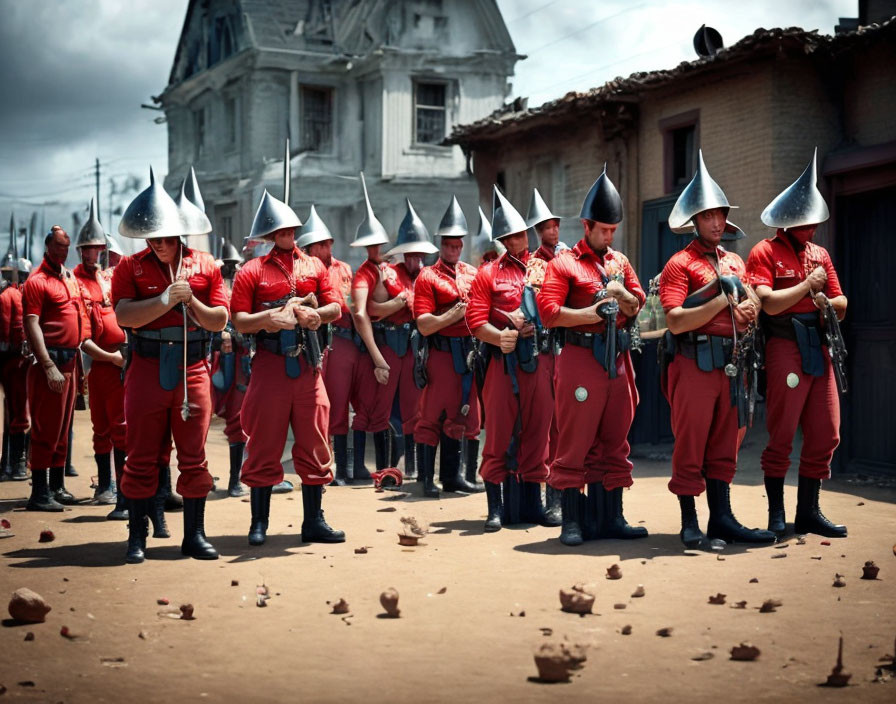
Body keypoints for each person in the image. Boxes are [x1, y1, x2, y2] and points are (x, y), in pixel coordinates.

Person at [659, 151, 776, 548]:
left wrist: (750, 308)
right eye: (708, 215)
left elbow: (753, 304)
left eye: (720, 214)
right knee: (691, 442)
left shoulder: (737, 261)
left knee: (728, 442)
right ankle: (689, 522)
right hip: (694, 361)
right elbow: (675, 319)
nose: (716, 222)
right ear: (695, 220)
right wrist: (721, 303)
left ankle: (722, 518)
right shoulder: (680, 264)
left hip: (734, 361)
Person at [112, 169, 229, 563]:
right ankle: (137, 537)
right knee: (141, 455)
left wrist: (190, 302)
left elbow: (219, 321)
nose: (158, 245)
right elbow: (124, 316)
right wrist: (164, 300)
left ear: (179, 234)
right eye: (152, 238)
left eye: (165, 238)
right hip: (146, 366)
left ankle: (194, 535)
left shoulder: (207, 266)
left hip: (192, 366)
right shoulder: (130, 267)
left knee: (194, 455)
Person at [537, 168, 648, 545]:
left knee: (615, 439)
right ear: (587, 226)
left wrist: (620, 292)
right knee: (575, 440)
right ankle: (571, 520)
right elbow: (549, 311)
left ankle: (611, 517)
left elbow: (638, 305)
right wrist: (593, 313)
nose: (609, 236)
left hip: (615, 359)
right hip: (580, 358)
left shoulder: (619, 262)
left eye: (613, 230)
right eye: (603, 229)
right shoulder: (564, 263)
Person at [231, 190, 344, 547]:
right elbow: (239, 320)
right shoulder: (252, 270)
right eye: (280, 230)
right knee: (264, 442)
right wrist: (270, 318)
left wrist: (316, 315)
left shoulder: (314, 265)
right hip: (269, 365)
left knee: (315, 440)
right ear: (269, 234)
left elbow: (336, 308)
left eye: (292, 229)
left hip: (308, 365)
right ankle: (259, 522)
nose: (288, 234)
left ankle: (313, 521)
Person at [747, 150, 847, 538]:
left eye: (814, 222)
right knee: (783, 432)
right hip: (785, 345)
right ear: (788, 222)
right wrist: (808, 287)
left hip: (818, 345)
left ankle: (809, 510)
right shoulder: (765, 251)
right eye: (805, 223)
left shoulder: (820, 254)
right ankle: (776, 513)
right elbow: (769, 304)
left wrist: (823, 300)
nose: (811, 229)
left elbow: (841, 303)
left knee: (827, 431)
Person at [466, 188, 557, 531]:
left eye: (521, 233)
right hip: (502, 364)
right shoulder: (488, 272)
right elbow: (475, 321)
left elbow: (556, 308)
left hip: (540, 361)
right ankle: (495, 508)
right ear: (502, 239)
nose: (517, 239)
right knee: (499, 435)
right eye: (511, 235)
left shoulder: (546, 268)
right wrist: (499, 334)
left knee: (538, 434)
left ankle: (534, 506)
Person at [412, 196, 483, 497]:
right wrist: (452, 315)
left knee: (463, 415)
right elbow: (424, 324)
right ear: (441, 244)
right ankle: (427, 480)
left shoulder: (472, 273)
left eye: (458, 245)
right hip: (440, 354)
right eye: (449, 245)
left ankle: (453, 478)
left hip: (468, 352)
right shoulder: (427, 277)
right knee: (431, 415)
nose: (454, 250)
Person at [22, 226, 91, 510]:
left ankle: (56, 486)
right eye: (59, 246)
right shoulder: (37, 281)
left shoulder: (68, 278)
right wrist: (47, 364)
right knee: (46, 429)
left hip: (71, 360)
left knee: (63, 429)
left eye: (67, 247)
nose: (63, 251)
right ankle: (39, 494)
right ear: (48, 245)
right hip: (51, 362)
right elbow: (31, 323)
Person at [298, 206, 360, 487]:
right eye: (317, 245)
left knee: (340, 404)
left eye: (325, 244)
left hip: (341, 339)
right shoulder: (303, 269)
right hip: (313, 339)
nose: (322, 249)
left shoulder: (343, 269)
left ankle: (344, 468)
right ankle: (325, 464)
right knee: (318, 407)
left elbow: (347, 305)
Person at [72, 198, 127, 510]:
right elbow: (84, 338)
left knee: (123, 426)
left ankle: (123, 486)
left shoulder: (111, 278)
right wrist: (111, 358)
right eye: (89, 248)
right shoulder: (76, 282)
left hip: (124, 360)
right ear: (82, 251)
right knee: (101, 427)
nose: (94, 253)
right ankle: (105, 485)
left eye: (99, 248)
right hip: (102, 363)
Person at [348, 174, 402, 480]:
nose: (375, 248)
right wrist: (378, 358)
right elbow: (360, 312)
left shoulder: (389, 268)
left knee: (384, 411)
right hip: (375, 347)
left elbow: (386, 306)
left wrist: (390, 306)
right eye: (370, 245)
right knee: (369, 411)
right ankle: (360, 468)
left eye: (377, 243)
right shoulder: (365, 273)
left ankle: (384, 469)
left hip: (396, 345)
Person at [525, 187, 565, 523]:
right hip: (547, 347)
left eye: (556, 225)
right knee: (548, 423)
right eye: (548, 226)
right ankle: (550, 496)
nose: (554, 230)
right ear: (540, 231)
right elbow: (536, 305)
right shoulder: (535, 264)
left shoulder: (568, 256)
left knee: (570, 422)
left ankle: (570, 493)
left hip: (571, 346)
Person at [210, 241, 249, 498]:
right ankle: (197, 474)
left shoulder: (245, 288)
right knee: (197, 420)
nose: (232, 270)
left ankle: (236, 478)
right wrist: (220, 334)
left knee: (240, 420)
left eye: (235, 266)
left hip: (239, 362)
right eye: (228, 266)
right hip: (211, 360)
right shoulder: (210, 288)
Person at [0, 242, 29, 482]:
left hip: (14, 360)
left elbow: (19, 332)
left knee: (18, 412)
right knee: (15, 412)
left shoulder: (15, 294)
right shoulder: (12, 294)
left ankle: (16, 462)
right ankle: (10, 463)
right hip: (10, 360)